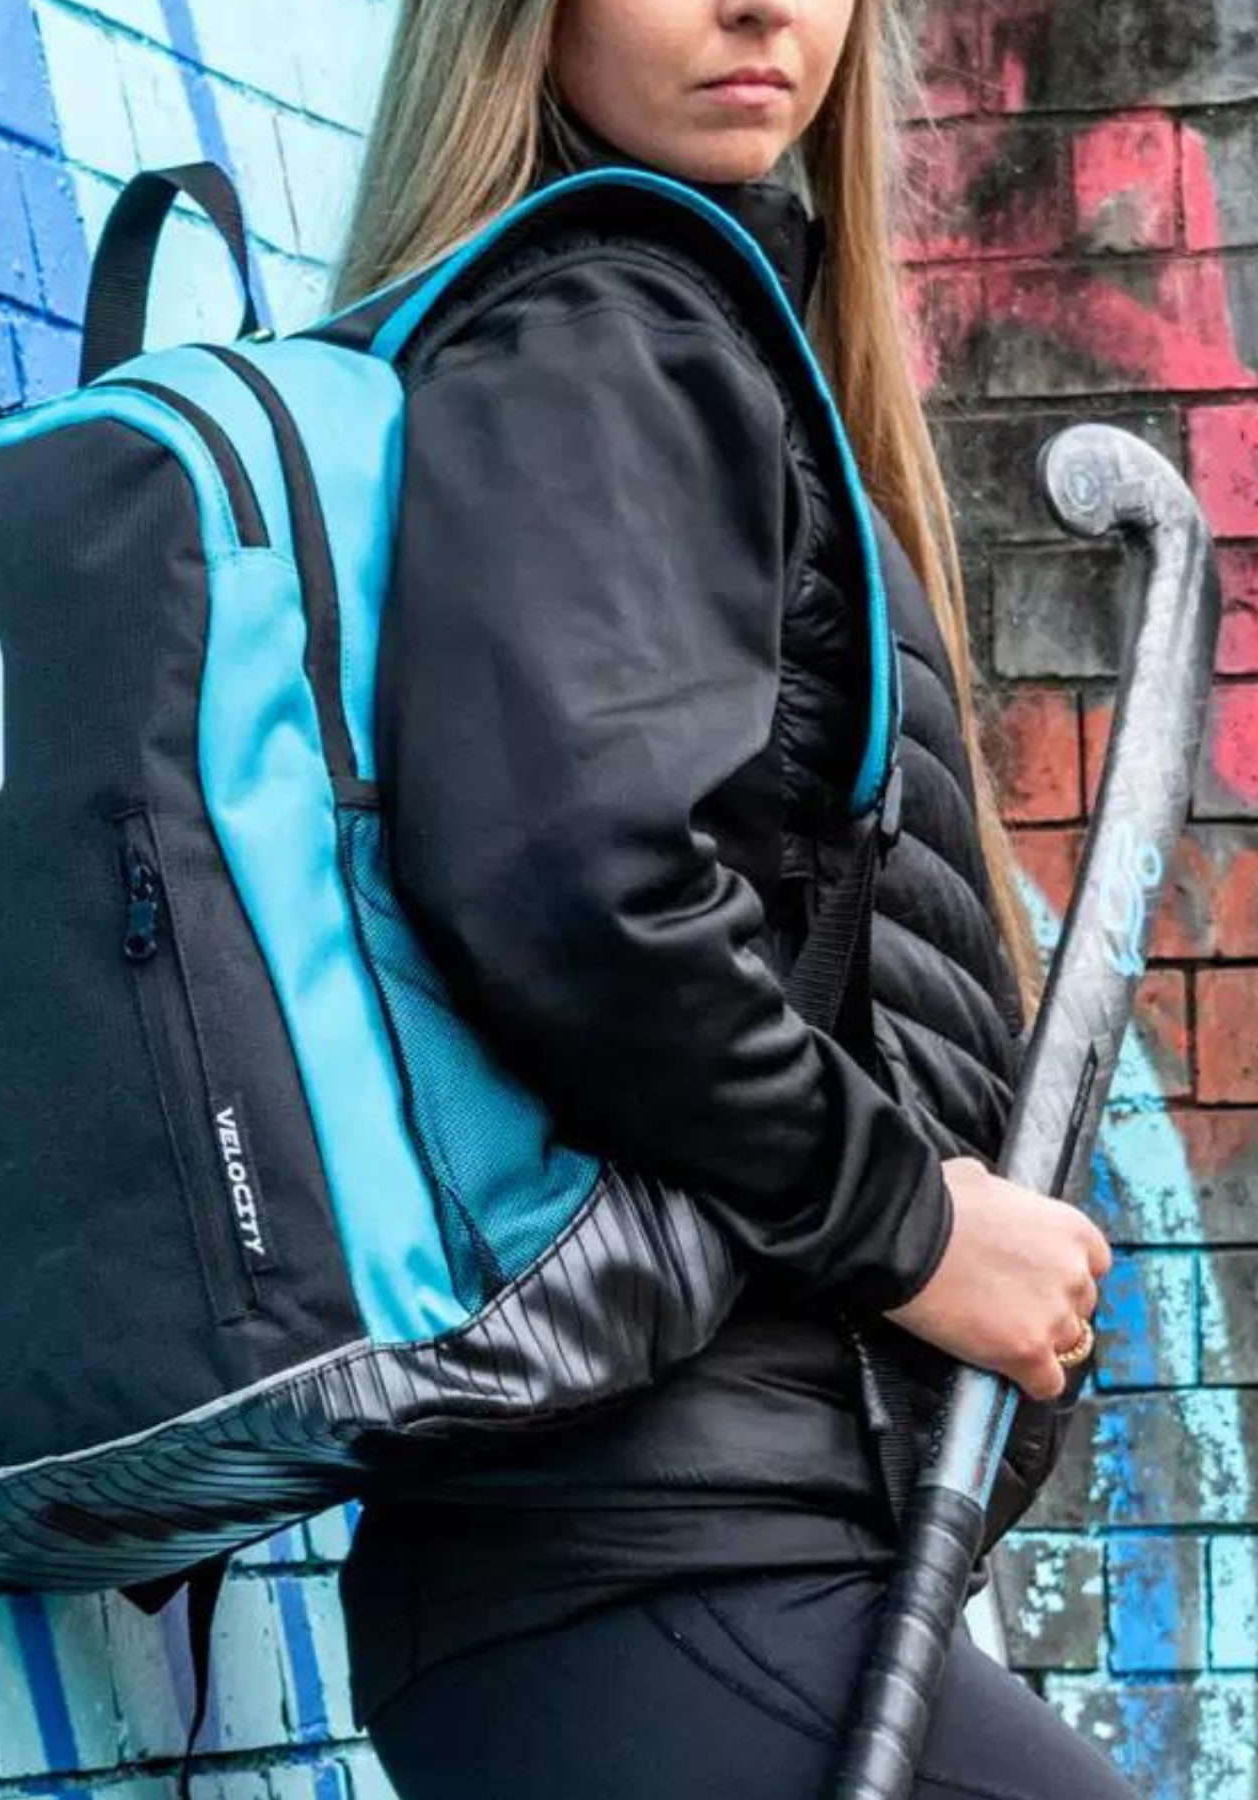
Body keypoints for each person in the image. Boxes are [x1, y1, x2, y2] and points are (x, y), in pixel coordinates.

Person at [326, 1, 1132, 1795]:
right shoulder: (604, 330)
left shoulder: (692, 341)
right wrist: (916, 1227)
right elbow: (574, 883)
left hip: (675, 1552)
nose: (763, 4)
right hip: (642, 1552)